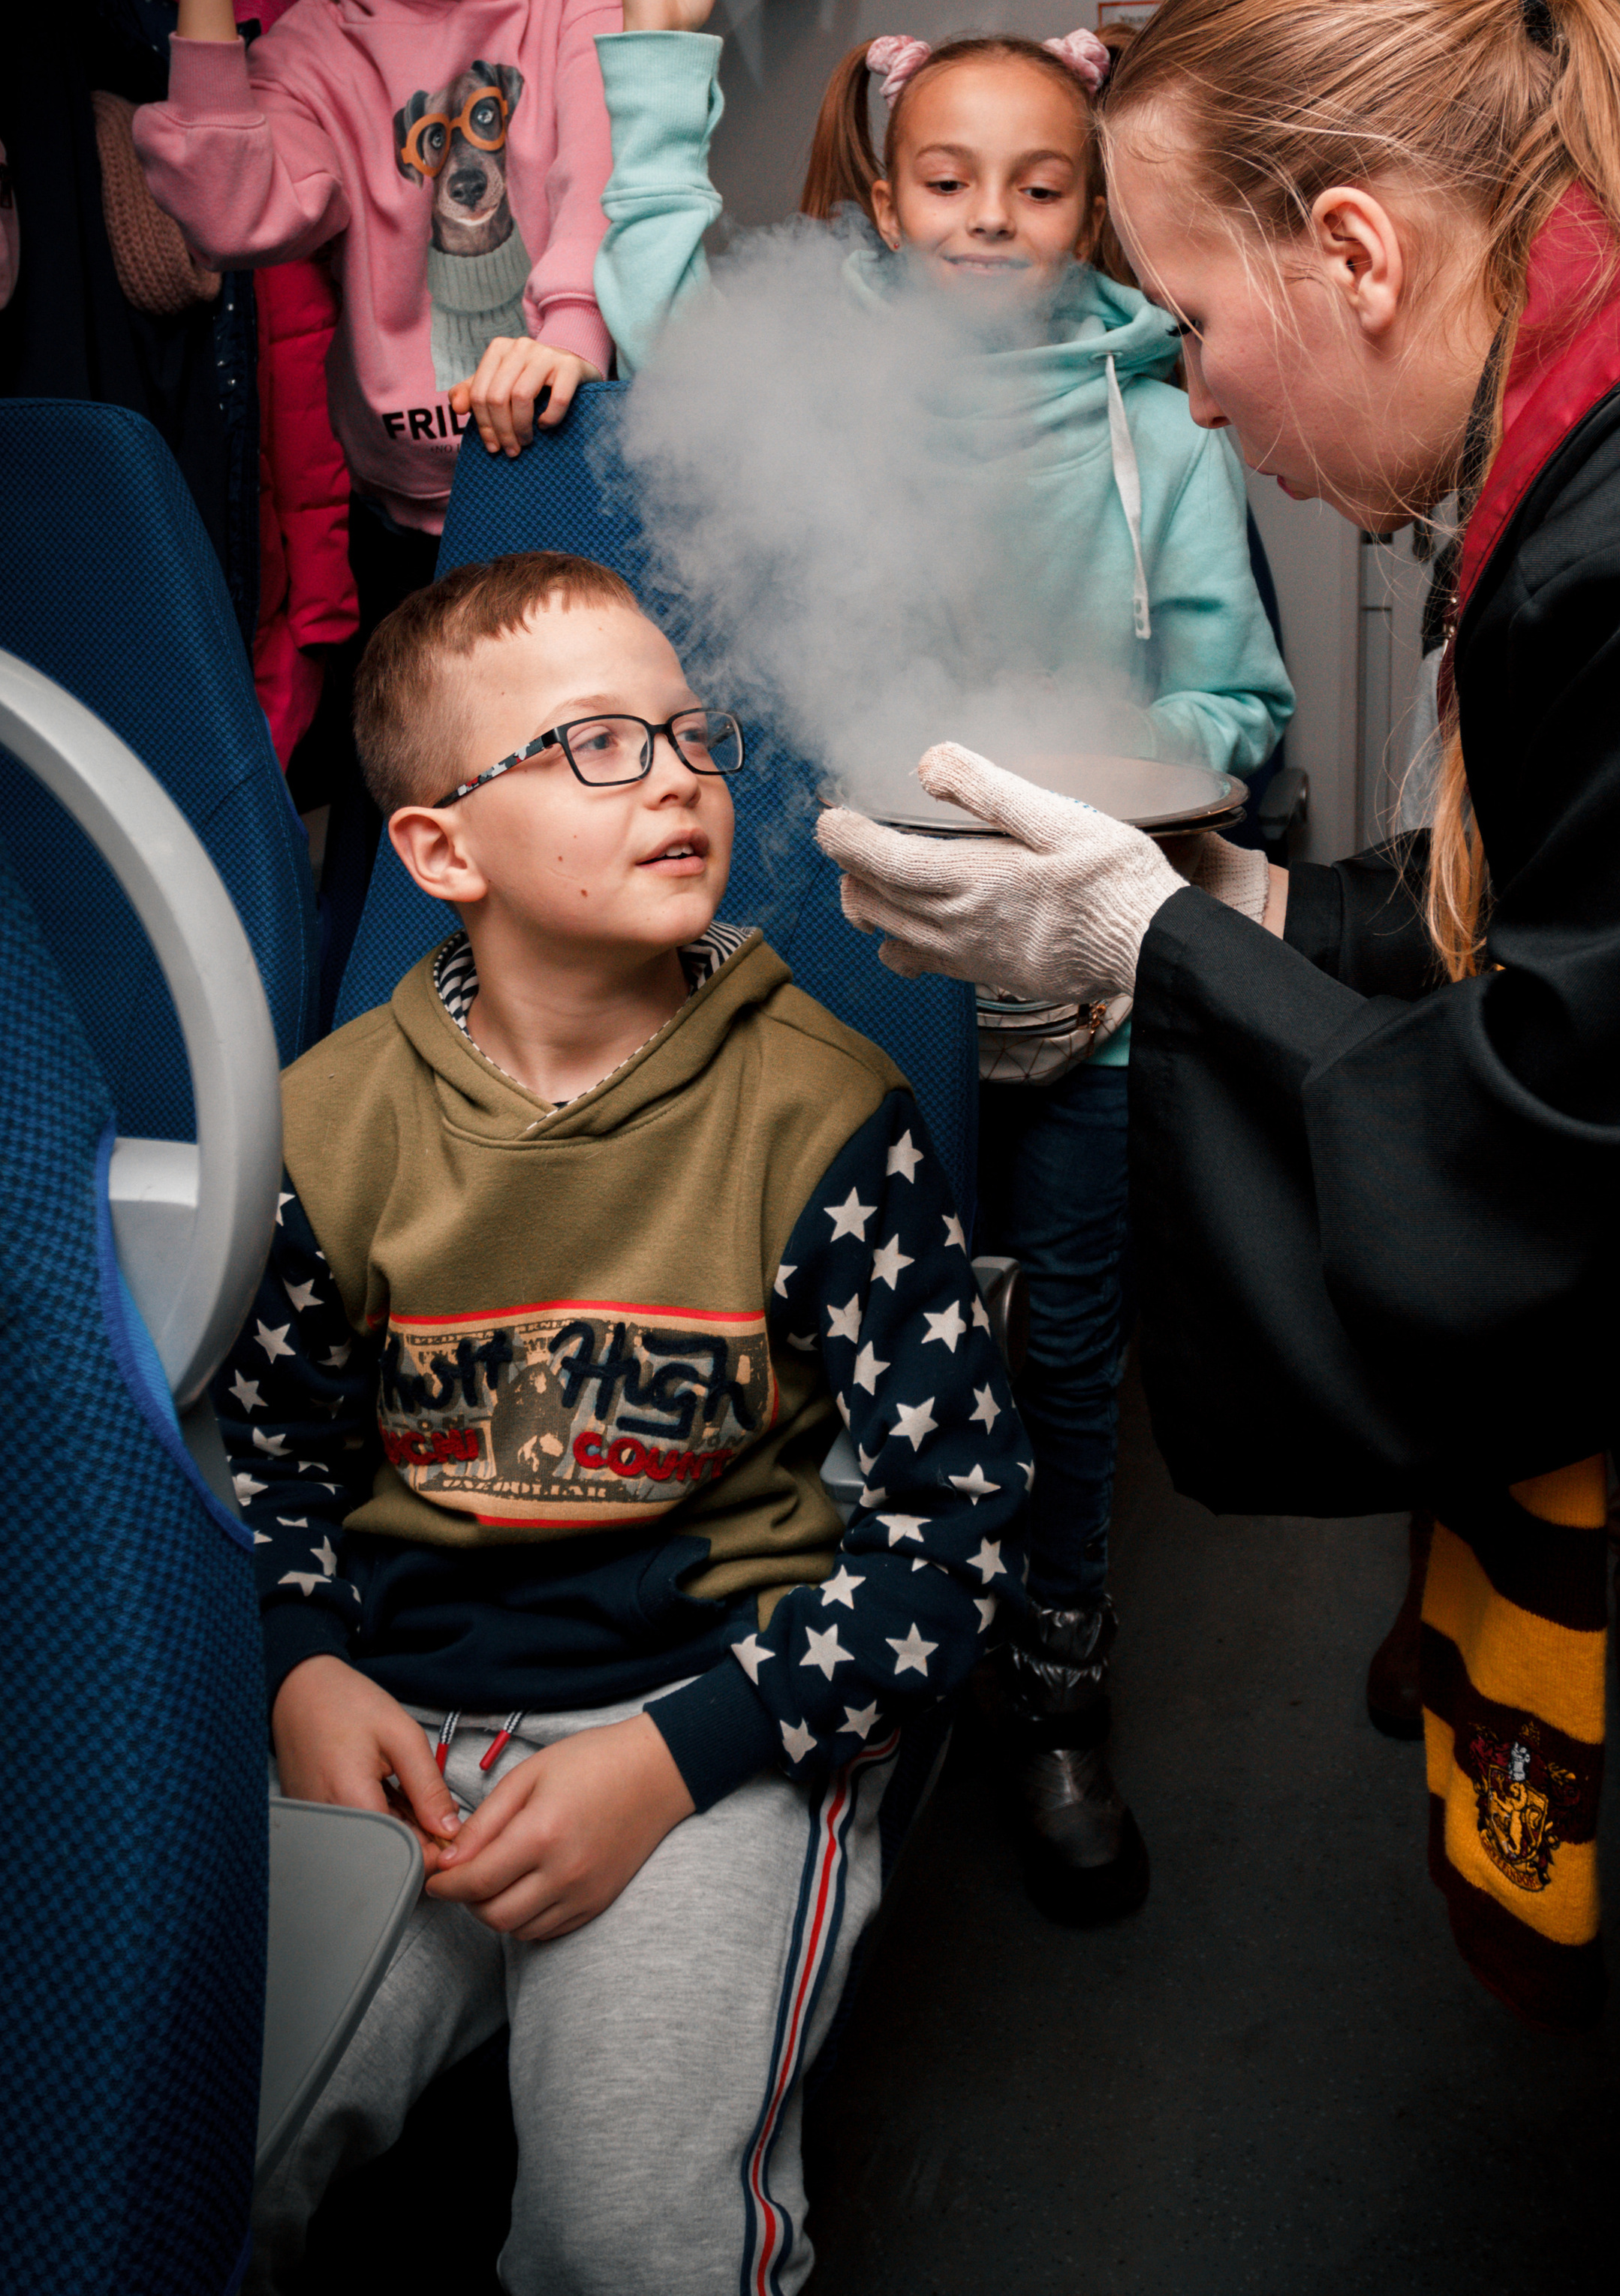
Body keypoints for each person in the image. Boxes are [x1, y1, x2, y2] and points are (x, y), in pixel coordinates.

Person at [817, 0, 1620, 2250]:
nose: (1190, 386)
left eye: (1194, 315)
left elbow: (1568, 1161)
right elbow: (1599, 914)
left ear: (1354, 249)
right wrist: (1219, 915)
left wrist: (1147, 954)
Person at [591, 0, 1293, 1924]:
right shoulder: (825, 384)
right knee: (858, 1352)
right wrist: (660, 58)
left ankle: (1053, 1691)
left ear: (1099, 209)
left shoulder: (1157, 419)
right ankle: (859, 1676)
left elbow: (1243, 722)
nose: (992, 222)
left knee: (1062, 1356)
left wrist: (1048, 782)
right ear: (882, 203)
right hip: (851, 994)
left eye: (1042, 186)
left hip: (1070, 997)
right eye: (947, 183)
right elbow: (652, 308)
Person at [221, 549, 1026, 2293]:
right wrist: (300, 1666)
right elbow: (265, 1459)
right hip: (401, 1729)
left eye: (685, 733)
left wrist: (682, 1755)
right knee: (182, 2153)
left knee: (621, 2241)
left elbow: (949, 1540)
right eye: (592, 744)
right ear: (440, 850)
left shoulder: (824, 1114)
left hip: (704, 1727)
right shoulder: (320, 1128)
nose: (674, 772)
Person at [133, 0, 624, 956]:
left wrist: (566, 335)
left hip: (586, 486)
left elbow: (599, 164)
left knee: (585, 825)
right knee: (408, 843)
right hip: (411, 519)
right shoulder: (318, 45)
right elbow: (235, 210)